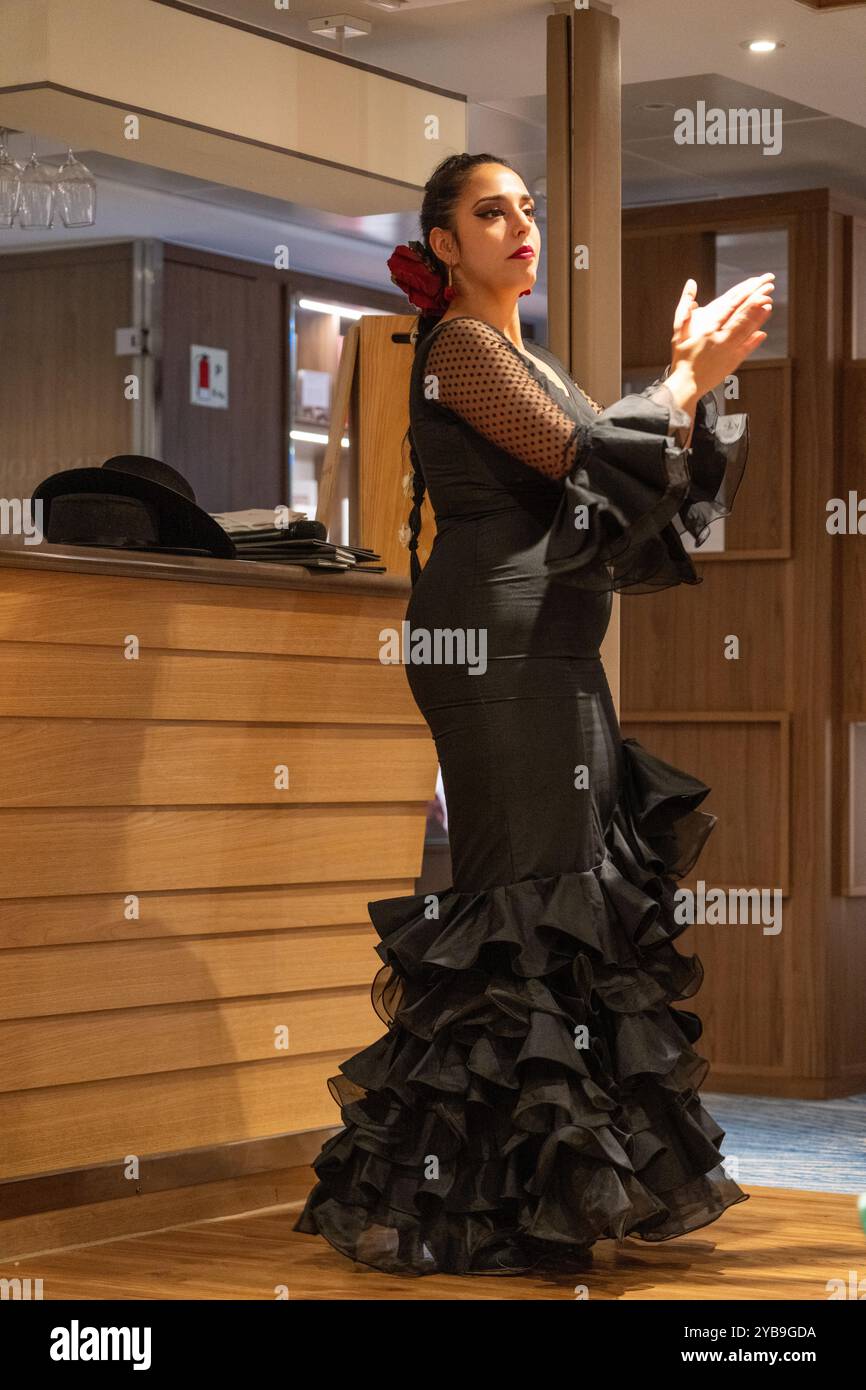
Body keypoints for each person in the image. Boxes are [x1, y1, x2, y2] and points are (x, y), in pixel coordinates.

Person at [293, 152, 774, 1277]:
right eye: (487, 211)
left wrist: (680, 386)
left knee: (570, 890)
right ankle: (461, 1196)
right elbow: (576, 459)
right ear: (444, 246)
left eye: (526, 209)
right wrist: (678, 381)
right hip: (492, 643)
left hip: (552, 637)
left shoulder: (526, 355)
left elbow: (629, 492)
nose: (518, 225)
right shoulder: (458, 346)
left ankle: (534, 1184)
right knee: (522, 897)